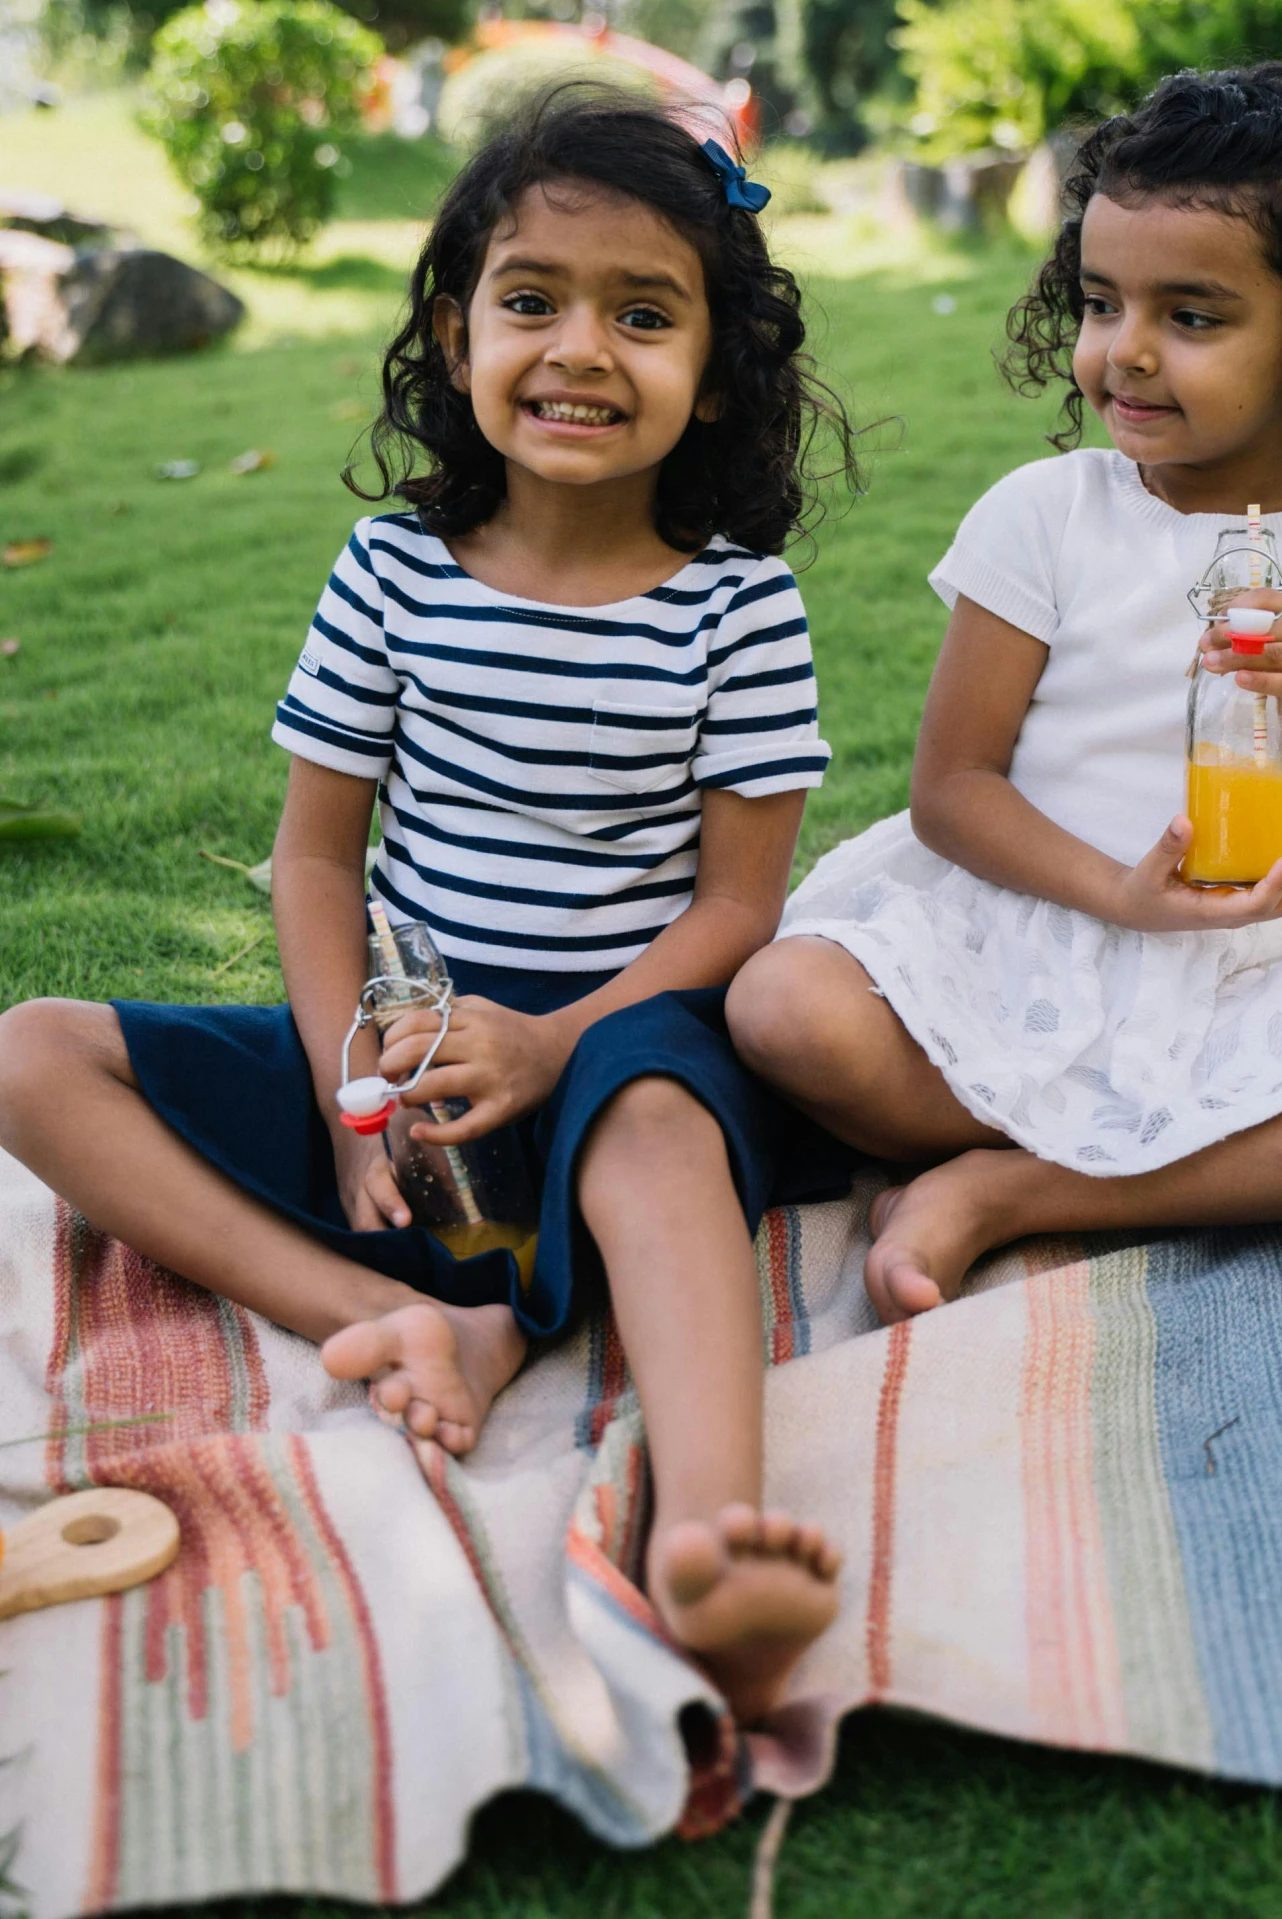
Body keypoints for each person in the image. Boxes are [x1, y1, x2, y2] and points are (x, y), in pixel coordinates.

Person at [0, 93, 853, 1722]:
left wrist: (558, 1043)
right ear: (455, 331)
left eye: (644, 312)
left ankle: (704, 1534)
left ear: (717, 369)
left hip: (621, 1048)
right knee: (31, 1054)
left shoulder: (738, 606)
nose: (579, 349)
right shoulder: (395, 571)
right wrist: (345, 1086)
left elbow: (741, 905)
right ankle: (398, 1322)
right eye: (531, 299)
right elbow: (317, 858)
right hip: (404, 1074)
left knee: (665, 1132)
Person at [728, 62, 1282, 1325]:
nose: (1124, 351)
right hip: (1020, 922)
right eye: (1102, 300)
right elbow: (952, 792)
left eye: (1193, 316)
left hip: (1240, 967)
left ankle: (1015, 1189)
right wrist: (1119, 894)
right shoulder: (1043, 515)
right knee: (785, 1008)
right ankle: (1259, 1166)